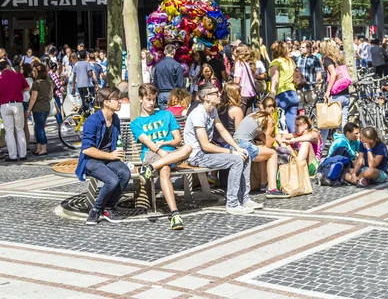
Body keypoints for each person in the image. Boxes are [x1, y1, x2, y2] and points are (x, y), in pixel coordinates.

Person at [183, 83, 254, 215]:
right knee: (236, 160)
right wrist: (232, 152)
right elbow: (205, 145)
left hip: (207, 153)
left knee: (245, 154)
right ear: (207, 97)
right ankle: (232, 204)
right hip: (197, 156)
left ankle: (244, 199)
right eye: (216, 93)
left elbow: (222, 130)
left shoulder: (212, 110)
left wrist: (237, 147)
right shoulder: (198, 113)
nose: (220, 94)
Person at [131, 83, 192, 230]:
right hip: (152, 154)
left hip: (170, 152)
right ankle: (175, 214)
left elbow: (178, 140)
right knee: (164, 169)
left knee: (188, 148)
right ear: (140, 99)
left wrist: (165, 142)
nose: (151, 103)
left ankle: (149, 169)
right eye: (148, 99)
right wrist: (163, 152)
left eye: (153, 99)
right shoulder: (136, 123)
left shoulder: (166, 115)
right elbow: (149, 143)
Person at [76, 87, 130, 225]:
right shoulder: (92, 121)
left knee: (125, 173)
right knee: (112, 180)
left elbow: (116, 142)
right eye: (117, 99)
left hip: (109, 158)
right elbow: (87, 150)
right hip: (92, 160)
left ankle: (109, 208)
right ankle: (96, 210)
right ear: (106, 102)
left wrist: (119, 155)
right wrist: (110, 155)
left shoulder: (115, 118)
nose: (120, 102)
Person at [234, 97, 287, 196]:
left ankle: (263, 183)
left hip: (235, 144)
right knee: (273, 154)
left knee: (264, 150)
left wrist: (267, 143)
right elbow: (268, 143)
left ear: (261, 106)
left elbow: (259, 134)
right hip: (244, 145)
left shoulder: (254, 114)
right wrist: (276, 138)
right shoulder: (269, 119)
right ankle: (272, 189)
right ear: (275, 108)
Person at [319, 39, 351, 147]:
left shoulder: (327, 59)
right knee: (343, 122)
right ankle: (347, 145)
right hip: (345, 93)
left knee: (327, 122)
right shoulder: (339, 58)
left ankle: (320, 148)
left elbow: (333, 73)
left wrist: (327, 91)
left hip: (335, 94)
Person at [0, 60, 28, 162]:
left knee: (9, 132)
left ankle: (13, 156)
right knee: (20, 130)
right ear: (8, 66)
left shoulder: (0, 78)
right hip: (17, 104)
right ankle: (23, 154)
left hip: (4, 105)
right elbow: (27, 88)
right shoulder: (18, 75)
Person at [269, 41, 299, 133]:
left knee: (280, 125)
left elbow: (275, 80)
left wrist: (271, 97)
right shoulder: (291, 61)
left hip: (281, 95)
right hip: (293, 93)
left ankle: (282, 145)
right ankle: (298, 144)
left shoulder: (275, 62)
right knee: (292, 124)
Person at [27, 63, 52, 156]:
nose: (33, 73)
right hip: (46, 107)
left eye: (34, 71)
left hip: (38, 108)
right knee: (38, 127)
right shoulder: (47, 82)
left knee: (39, 128)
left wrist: (29, 110)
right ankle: (39, 148)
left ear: (38, 72)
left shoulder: (36, 84)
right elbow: (50, 96)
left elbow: (33, 97)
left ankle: (43, 148)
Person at [152, 44, 184, 109]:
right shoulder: (177, 65)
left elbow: (155, 80)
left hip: (161, 94)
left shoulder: (157, 65)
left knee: (163, 117)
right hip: (173, 93)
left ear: (164, 52)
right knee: (173, 116)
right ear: (174, 52)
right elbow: (180, 83)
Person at [296, 41, 323, 109]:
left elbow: (318, 72)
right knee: (299, 109)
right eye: (300, 47)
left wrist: (317, 86)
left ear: (308, 49)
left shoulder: (314, 59)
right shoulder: (297, 59)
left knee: (312, 109)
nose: (300, 49)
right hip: (300, 88)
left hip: (310, 88)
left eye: (303, 47)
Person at [233, 45, 257, 115]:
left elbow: (237, 81)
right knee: (248, 116)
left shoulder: (239, 63)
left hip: (242, 93)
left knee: (240, 115)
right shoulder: (249, 63)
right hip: (251, 93)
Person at [22, 63, 34, 149]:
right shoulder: (32, 80)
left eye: (22, 69)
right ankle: (26, 145)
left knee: (24, 126)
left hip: (24, 101)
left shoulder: (25, 80)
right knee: (25, 126)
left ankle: (26, 145)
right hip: (28, 102)